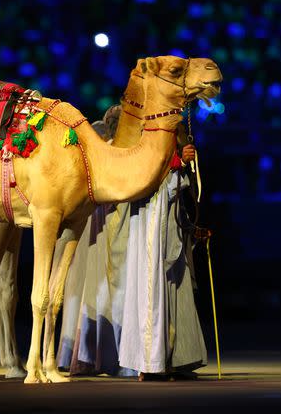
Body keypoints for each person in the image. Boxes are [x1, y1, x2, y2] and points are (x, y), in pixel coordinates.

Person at [57, 111, 208, 379]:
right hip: (138, 228)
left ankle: (178, 360)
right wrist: (175, 164)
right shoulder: (121, 155)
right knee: (146, 289)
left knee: (176, 285)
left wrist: (181, 164)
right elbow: (145, 182)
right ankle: (150, 361)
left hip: (163, 223)